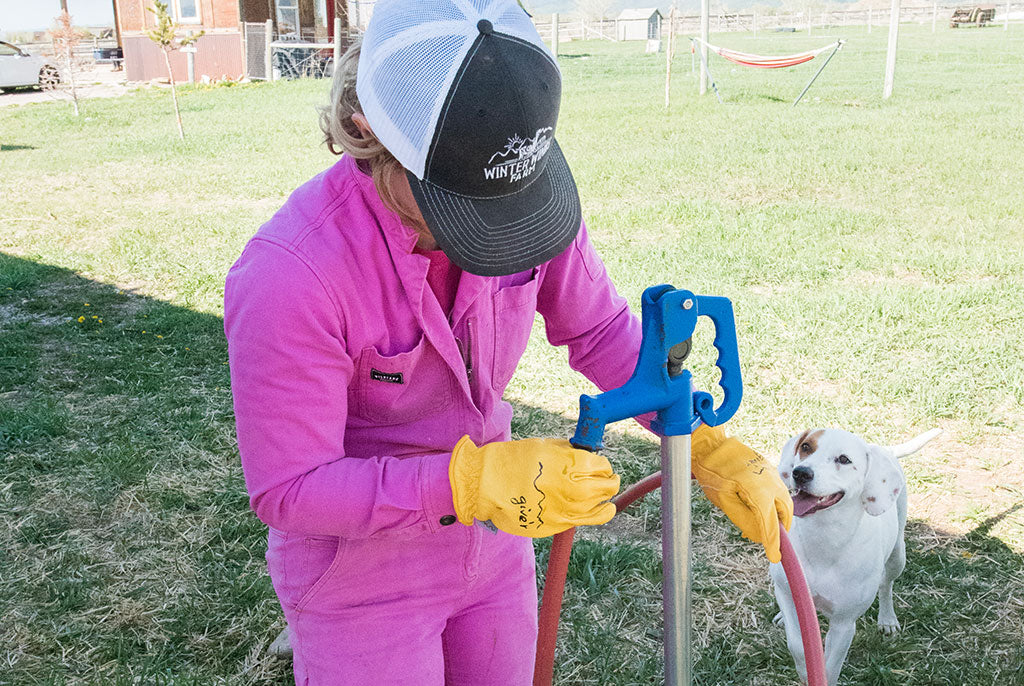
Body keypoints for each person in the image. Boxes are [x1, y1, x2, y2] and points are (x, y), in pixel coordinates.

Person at [223, 2, 792, 684]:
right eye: (461, 209)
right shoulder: (292, 273)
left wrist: (699, 440)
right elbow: (292, 488)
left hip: (493, 549)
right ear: (366, 131)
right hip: (359, 572)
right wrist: (469, 482)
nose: (495, 233)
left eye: (506, 209)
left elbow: (599, 327)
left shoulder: (512, 179)